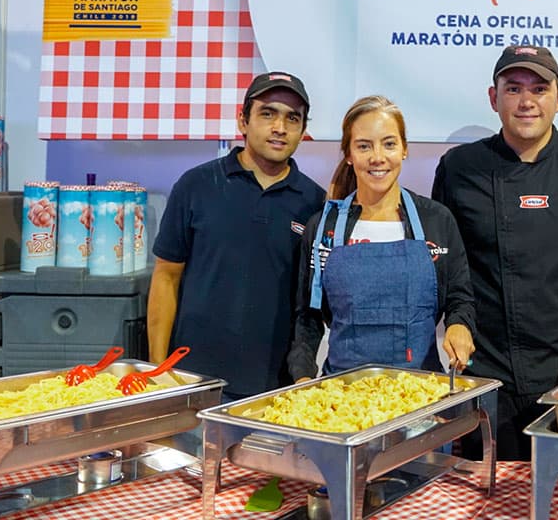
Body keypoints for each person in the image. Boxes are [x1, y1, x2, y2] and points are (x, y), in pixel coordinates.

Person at [432, 46, 558, 460]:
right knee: (486, 496)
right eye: (513, 88)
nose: (526, 101)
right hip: (487, 372)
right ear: (493, 97)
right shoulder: (460, 167)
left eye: (539, 88)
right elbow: (447, 263)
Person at [148, 71, 326, 400]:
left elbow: (310, 305)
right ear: (242, 121)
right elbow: (166, 278)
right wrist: (158, 372)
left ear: (303, 130)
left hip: (275, 391)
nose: (280, 127)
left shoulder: (315, 203)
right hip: (192, 384)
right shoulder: (195, 186)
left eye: (293, 118)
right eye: (267, 113)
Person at [288, 95, 475, 380]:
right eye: (364, 146)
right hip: (343, 394)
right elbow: (308, 316)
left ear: (404, 150)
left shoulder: (436, 220)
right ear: (349, 155)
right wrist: (302, 378)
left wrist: (459, 326)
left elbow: (460, 298)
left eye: (389, 144)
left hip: (422, 390)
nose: (378, 157)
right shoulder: (324, 226)